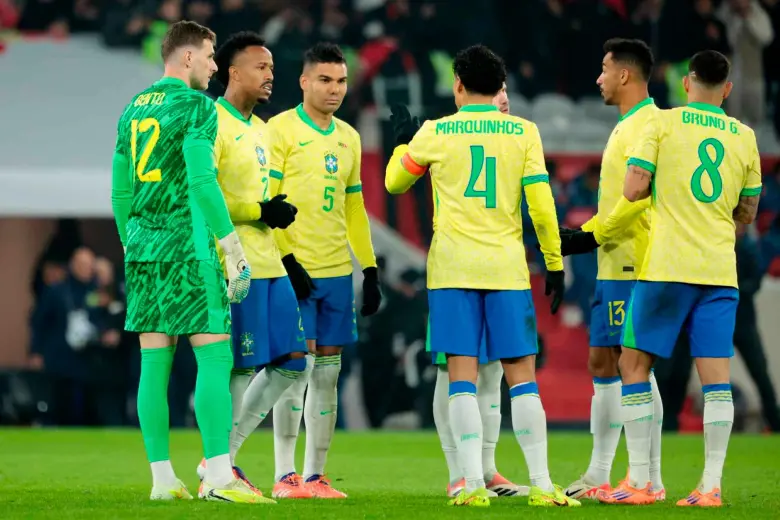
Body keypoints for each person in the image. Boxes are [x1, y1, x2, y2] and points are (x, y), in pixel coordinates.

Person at [385, 44, 577, 508]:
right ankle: (543, 485)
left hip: (452, 270)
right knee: (523, 379)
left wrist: (403, 144)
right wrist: (554, 262)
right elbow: (541, 206)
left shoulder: (436, 131)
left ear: (457, 84)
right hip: (506, 270)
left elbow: (394, 182)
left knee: (462, 380)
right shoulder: (523, 132)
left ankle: (471, 485)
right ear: (500, 87)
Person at [589, 50, 762, 506]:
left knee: (633, 364)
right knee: (716, 380)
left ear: (687, 84)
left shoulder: (662, 124)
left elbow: (632, 189)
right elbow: (747, 211)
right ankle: (710, 488)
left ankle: (642, 482)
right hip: (720, 271)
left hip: (667, 267)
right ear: (726, 89)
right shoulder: (745, 137)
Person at [111, 20, 258, 503]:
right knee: (215, 354)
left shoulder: (132, 110)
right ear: (188, 57)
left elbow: (121, 192)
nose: (216, 66)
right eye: (212, 57)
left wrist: (131, 245)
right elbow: (201, 181)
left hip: (144, 249)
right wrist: (230, 246)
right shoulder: (198, 107)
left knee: (154, 363)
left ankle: (162, 480)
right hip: (189, 248)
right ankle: (218, 475)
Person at [259, 42, 382, 499]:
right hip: (294, 270)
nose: (335, 89)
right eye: (326, 80)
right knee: (294, 372)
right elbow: (270, 207)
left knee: (327, 376)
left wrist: (368, 269)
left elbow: (355, 209)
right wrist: (287, 259)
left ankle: (316, 475)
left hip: (335, 273)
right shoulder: (280, 130)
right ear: (304, 81)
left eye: (342, 81)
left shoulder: (348, 137)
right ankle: (284, 473)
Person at [193, 32, 305, 504]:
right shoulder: (210, 121)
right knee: (239, 367)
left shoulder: (261, 129)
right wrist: (260, 211)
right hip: (232, 263)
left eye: (272, 68)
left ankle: (222, 456)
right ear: (232, 72)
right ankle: (221, 467)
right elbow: (207, 196)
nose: (270, 76)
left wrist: (287, 252)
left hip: (270, 261)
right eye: (261, 67)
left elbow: (262, 204)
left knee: (294, 363)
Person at [560, 38, 665, 501]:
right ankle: (599, 472)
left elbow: (634, 198)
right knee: (604, 361)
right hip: (612, 260)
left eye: (604, 69)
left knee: (632, 364)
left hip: (631, 259)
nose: (598, 78)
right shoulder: (627, 124)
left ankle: (647, 477)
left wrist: (588, 234)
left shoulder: (647, 126)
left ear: (625, 75)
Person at [414, 83, 529, 499]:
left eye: (506, 97)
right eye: (497, 95)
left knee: (493, 373)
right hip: (456, 273)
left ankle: (487, 468)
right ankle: (459, 472)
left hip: (495, 272)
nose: (503, 103)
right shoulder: (450, 137)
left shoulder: (512, 140)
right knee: (451, 375)